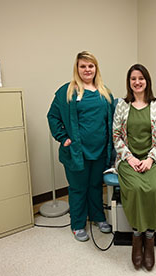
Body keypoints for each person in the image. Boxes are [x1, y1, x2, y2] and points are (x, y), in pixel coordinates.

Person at [112, 64, 156, 270]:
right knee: (136, 188)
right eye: (133, 79)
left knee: (155, 188)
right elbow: (116, 137)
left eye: (141, 78)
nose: (137, 82)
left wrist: (150, 159)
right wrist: (130, 159)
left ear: (147, 81)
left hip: (153, 159)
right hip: (128, 158)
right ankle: (136, 237)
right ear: (129, 82)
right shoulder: (121, 106)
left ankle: (150, 239)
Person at [47, 51, 114, 242]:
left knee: (95, 186)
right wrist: (63, 137)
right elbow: (52, 116)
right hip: (76, 151)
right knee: (78, 188)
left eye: (90, 66)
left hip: (100, 151)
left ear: (96, 68)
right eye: (83, 66)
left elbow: (111, 120)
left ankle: (97, 217)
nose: (87, 70)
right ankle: (77, 224)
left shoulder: (105, 92)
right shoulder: (66, 92)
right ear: (77, 68)